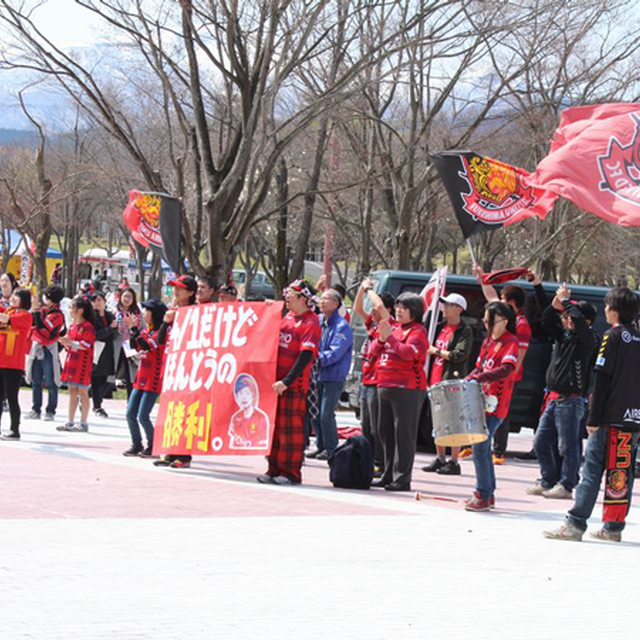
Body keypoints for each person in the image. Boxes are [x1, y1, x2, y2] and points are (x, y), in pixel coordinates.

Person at [544, 288, 640, 542]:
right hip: (632, 419)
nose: (606, 311)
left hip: (608, 417)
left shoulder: (612, 337)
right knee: (621, 472)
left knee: (593, 471)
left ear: (614, 310)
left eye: (608, 306)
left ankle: (575, 523)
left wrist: (593, 419)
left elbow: (601, 381)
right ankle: (612, 527)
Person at [525, 284, 598, 500]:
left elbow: (578, 321)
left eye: (571, 318)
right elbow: (547, 320)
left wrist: (567, 301)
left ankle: (566, 484)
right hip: (554, 399)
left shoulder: (588, 339)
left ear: (587, 322)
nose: (567, 320)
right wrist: (557, 303)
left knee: (567, 445)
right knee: (540, 442)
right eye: (565, 317)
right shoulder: (564, 337)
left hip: (572, 400)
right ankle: (548, 479)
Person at [257, 279, 321, 485]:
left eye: (290, 293)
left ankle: (290, 472)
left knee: (289, 431)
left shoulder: (311, 322)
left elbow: (305, 356)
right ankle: (273, 467)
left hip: (292, 386)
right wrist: (267, 311)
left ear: (303, 298)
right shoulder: (288, 317)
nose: (286, 296)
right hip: (275, 383)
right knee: (274, 428)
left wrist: (286, 381)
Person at [370, 292, 429, 492]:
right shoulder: (392, 327)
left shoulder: (418, 331)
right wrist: (381, 339)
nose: (399, 311)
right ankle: (388, 474)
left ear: (415, 311)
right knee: (384, 432)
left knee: (403, 434)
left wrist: (390, 340)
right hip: (384, 384)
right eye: (397, 307)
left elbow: (407, 354)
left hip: (407, 388)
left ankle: (402, 478)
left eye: (404, 308)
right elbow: (372, 351)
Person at [473, 265, 531, 464]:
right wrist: (483, 279)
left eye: (503, 300)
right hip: (489, 381)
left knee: (499, 416)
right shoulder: (491, 335)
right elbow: (491, 298)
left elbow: (518, 356)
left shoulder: (520, 326)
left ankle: (499, 450)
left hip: (504, 380)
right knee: (480, 443)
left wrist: (508, 377)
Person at [464, 301, 519, 511]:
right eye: (485, 319)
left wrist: (479, 378)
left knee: (479, 449)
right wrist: (469, 379)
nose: (486, 323)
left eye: (490, 320)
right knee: (482, 449)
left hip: (495, 405)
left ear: (504, 321)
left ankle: (483, 493)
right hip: (480, 402)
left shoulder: (510, 342)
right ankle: (487, 492)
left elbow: (506, 368)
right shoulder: (488, 342)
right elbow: (478, 367)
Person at [422, 292, 474, 475]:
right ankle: (440, 457)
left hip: (451, 380)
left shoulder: (464, 330)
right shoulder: (439, 327)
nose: (445, 308)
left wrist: (436, 351)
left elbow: (459, 355)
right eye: (445, 304)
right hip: (435, 380)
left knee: (454, 422)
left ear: (459, 309)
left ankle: (454, 461)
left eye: (450, 305)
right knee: (438, 421)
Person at [153, 275, 198, 469]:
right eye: (174, 288)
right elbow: (161, 340)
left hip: (187, 368)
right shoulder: (172, 311)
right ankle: (170, 451)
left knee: (186, 410)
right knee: (171, 408)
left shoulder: (196, 312)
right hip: (171, 365)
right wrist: (165, 321)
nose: (175, 292)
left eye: (179, 289)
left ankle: (184, 455)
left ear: (190, 292)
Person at [353, 278, 395, 475]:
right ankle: (369, 460)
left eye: (376, 308)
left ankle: (380, 462)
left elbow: (378, 304)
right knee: (366, 425)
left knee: (377, 427)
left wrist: (370, 288)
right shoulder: (373, 323)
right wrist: (361, 290)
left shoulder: (388, 324)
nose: (373, 310)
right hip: (366, 379)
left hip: (378, 381)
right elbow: (358, 309)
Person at [304, 288, 353, 460]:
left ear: (336, 303)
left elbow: (335, 353)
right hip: (317, 374)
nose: (322, 302)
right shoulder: (317, 321)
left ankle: (331, 447)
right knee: (315, 413)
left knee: (326, 413)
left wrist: (312, 358)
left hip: (333, 376)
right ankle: (321, 445)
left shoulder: (342, 326)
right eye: (321, 299)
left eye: (327, 299)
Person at [123, 298, 168, 457]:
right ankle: (136, 444)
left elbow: (148, 345)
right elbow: (136, 345)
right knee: (130, 413)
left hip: (153, 379)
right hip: (141, 377)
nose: (145, 314)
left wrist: (134, 328)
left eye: (147, 311)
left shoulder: (161, 333)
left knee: (143, 415)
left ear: (155, 314)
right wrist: (132, 330)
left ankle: (153, 445)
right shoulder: (145, 330)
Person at [26, 284, 66, 421]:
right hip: (37, 347)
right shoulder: (43, 310)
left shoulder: (56, 315)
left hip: (48, 349)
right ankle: (35, 409)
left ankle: (50, 410)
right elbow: (32, 323)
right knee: (36, 380)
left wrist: (36, 312)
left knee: (51, 381)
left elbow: (44, 329)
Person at [57, 295, 96, 433]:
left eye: (72, 307)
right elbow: (70, 343)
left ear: (80, 310)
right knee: (72, 391)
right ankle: (70, 421)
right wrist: (66, 342)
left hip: (83, 363)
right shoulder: (72, 326)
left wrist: (71, 343)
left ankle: (83, 422)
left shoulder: (88, 327)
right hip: (72, 360)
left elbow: (86, 344)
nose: (70, 310)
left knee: (83, 391)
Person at [0, 289, 33, 440]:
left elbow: (7, 319)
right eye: (12, 295)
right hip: (1, 361)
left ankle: (15, 429)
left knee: (12, 398)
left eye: (16, 296)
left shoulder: (26, 316)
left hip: (14, 364)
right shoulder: (9, 311)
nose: (12, 298)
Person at [90, 292, 117, 418]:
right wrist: (110, 329)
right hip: (96, 351)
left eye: (100, 299)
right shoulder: (91, 317)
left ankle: (91, 398)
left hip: (108, 351)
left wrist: (112, 329)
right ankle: (97, 405)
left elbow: (114, 332)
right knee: (96, 379)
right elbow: (95, 335)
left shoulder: (110, 315)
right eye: (94, 300)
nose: (97, 302)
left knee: (106, 380)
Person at [113, 287, 142, 398]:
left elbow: (141, 328)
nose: (127, 299)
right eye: (125, 296)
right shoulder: (115, 311)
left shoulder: (137, 313)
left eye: (130, 297)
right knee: (110, 372)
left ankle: (131, 401)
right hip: (116, 344)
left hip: (130, 346)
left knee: (131, 375)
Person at [228, 374, 270, 449]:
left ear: (253, 395)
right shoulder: (235, 418)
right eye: (241, 393)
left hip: (254, 458)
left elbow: (264, 444)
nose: (244, 397)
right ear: (236, 396)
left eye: (247, 393)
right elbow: (232, 443)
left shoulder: (261, 417)